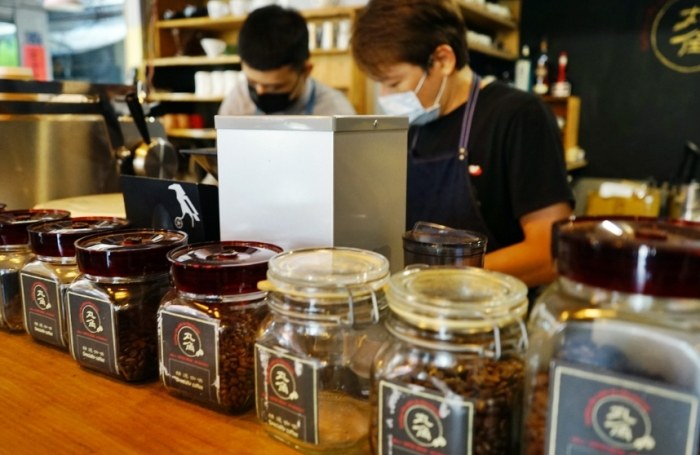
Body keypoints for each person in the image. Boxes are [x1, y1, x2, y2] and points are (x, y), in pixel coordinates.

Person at [351, 0, 574, 288]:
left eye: (394, 83)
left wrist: (443, 281)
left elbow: (550, 253)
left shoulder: (519, 115)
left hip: (491, 308)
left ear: (443, 60)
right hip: (417, 304)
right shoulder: (413, 126)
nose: (385, 96)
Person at [218, 4, 356, 116]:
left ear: (306, 71)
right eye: (252, 82)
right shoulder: (237, 103)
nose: (260, 92)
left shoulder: (335, 111)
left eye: (275, 86)